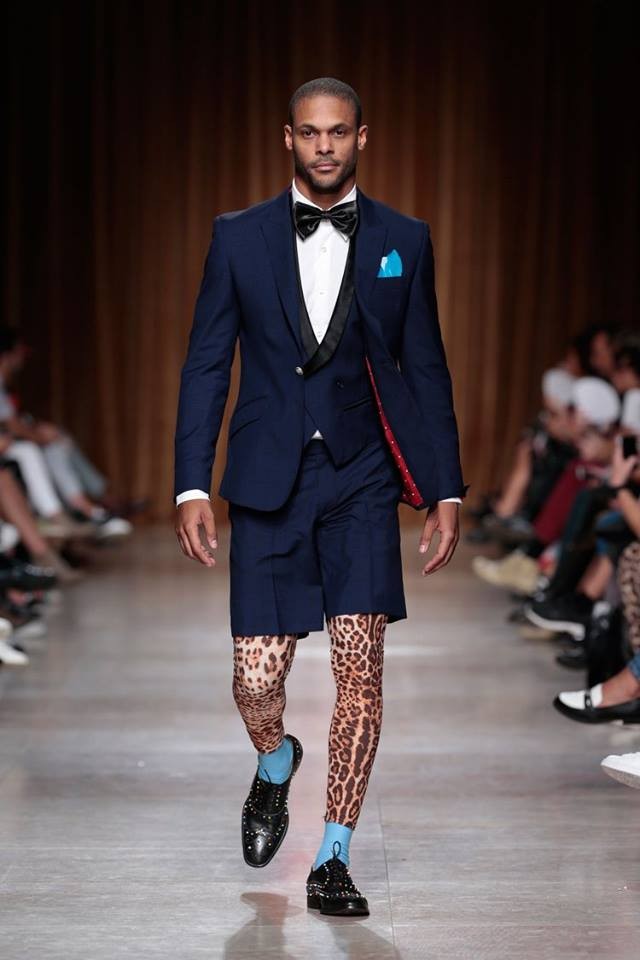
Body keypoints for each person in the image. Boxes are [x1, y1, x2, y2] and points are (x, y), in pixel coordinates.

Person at [173, 77, 468, 917]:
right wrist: (191, 481)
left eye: (339, 132)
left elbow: (426, 367)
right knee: (254, 679)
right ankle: (275, 760)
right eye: (311, 133)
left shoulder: (404, 239)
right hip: (267, 479)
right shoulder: (237, 237)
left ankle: (333, 856)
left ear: (362, 138)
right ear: (289, 139)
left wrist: (446, 488)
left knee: (360, 673)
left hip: (360, 478)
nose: (325, 145)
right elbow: (207, 364)